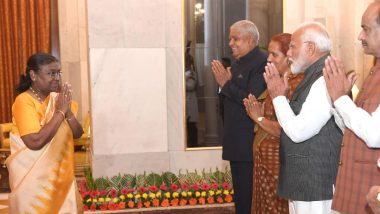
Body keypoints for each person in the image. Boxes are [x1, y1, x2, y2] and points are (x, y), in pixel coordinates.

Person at [263, 22, 343, 214]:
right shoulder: (314, 75)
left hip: (315, 184)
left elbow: (299, 132)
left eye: (292, 46)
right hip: (306, 181)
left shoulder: (324, 78)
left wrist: (279, 97)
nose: (289, 53)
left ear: (310, 48)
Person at [6, 53, 84, 213]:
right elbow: (34, 142)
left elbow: (77, 133)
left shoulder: (59, 99)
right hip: (34, 186)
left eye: (58, 73)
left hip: (61, 181)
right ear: (33, 75)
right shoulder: (24, 101)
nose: (56, 78)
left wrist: (67, 112)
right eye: (51, 73)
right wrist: (60, 112)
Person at [322, 2, 380, 213]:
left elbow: (375, 134)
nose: (359, 36)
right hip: (354, 187)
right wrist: (341, 100)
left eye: (366, 29)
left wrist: (340, 99)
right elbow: (353, 127)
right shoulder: (375, 69)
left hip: (369, 190)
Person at [243, 33, 303, 214]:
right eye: (268, 53)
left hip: (279, 165)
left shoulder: (295, 85)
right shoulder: (279, 81)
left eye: (274, 54)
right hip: (266, 163)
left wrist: (258, 118)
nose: (268, 58)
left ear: (289, 56)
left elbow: (284, 130)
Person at [211, 20, 267, 214]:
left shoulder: (262, 62)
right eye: (230, 39)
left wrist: (225, 84)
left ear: (251, 39)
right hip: (237, 142)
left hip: (248, 143)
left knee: (249, 200)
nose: (231, 43)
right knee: (241, 199)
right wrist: (223, 85)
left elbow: (252, 101)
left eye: (236, 38)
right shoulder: (238, 62)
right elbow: (229, 97)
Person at [185, 47, 199, 147]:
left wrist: (181, 80)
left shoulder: (191, 73)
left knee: (191, 126)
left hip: (190, 103)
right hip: (186, 103)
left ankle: (193, 143)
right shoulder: (185, 73)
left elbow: (190, 86)